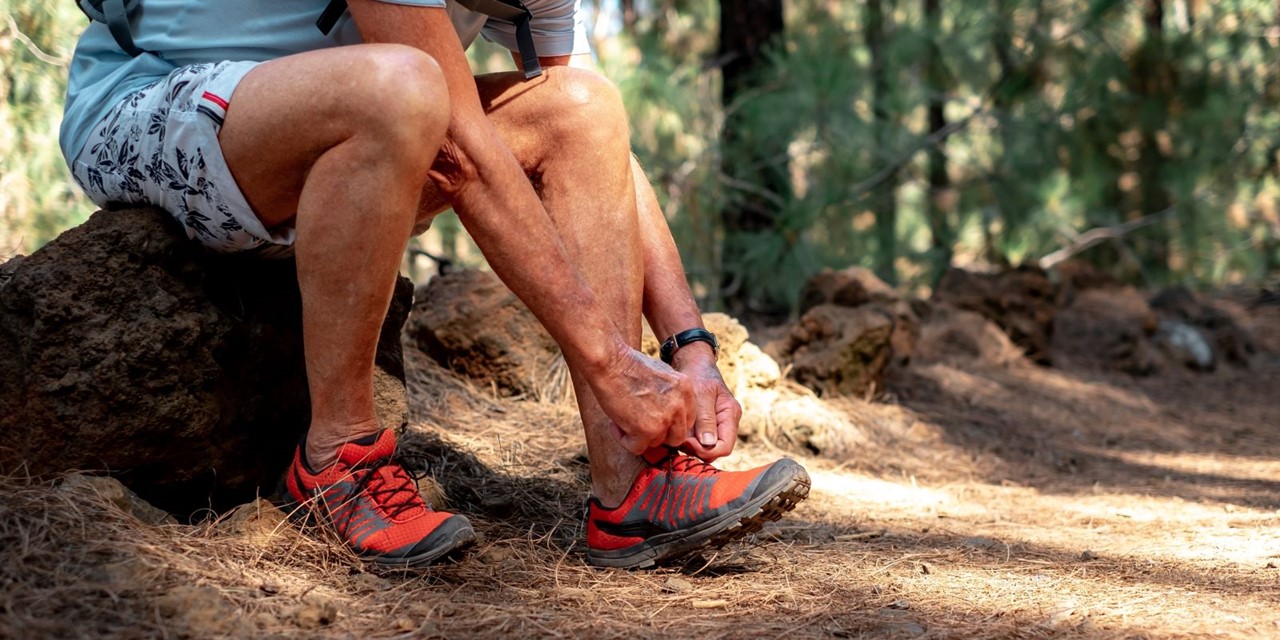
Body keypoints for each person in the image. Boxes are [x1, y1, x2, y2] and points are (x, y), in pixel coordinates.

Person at [61, 0, 810, 569]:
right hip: (156, 108)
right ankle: (337, 459)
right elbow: (464, 145)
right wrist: (611, 362)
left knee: (582, 107)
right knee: (401, 85)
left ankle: (634, 486)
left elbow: (596, 150)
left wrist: (691, 347)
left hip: (351, 138)